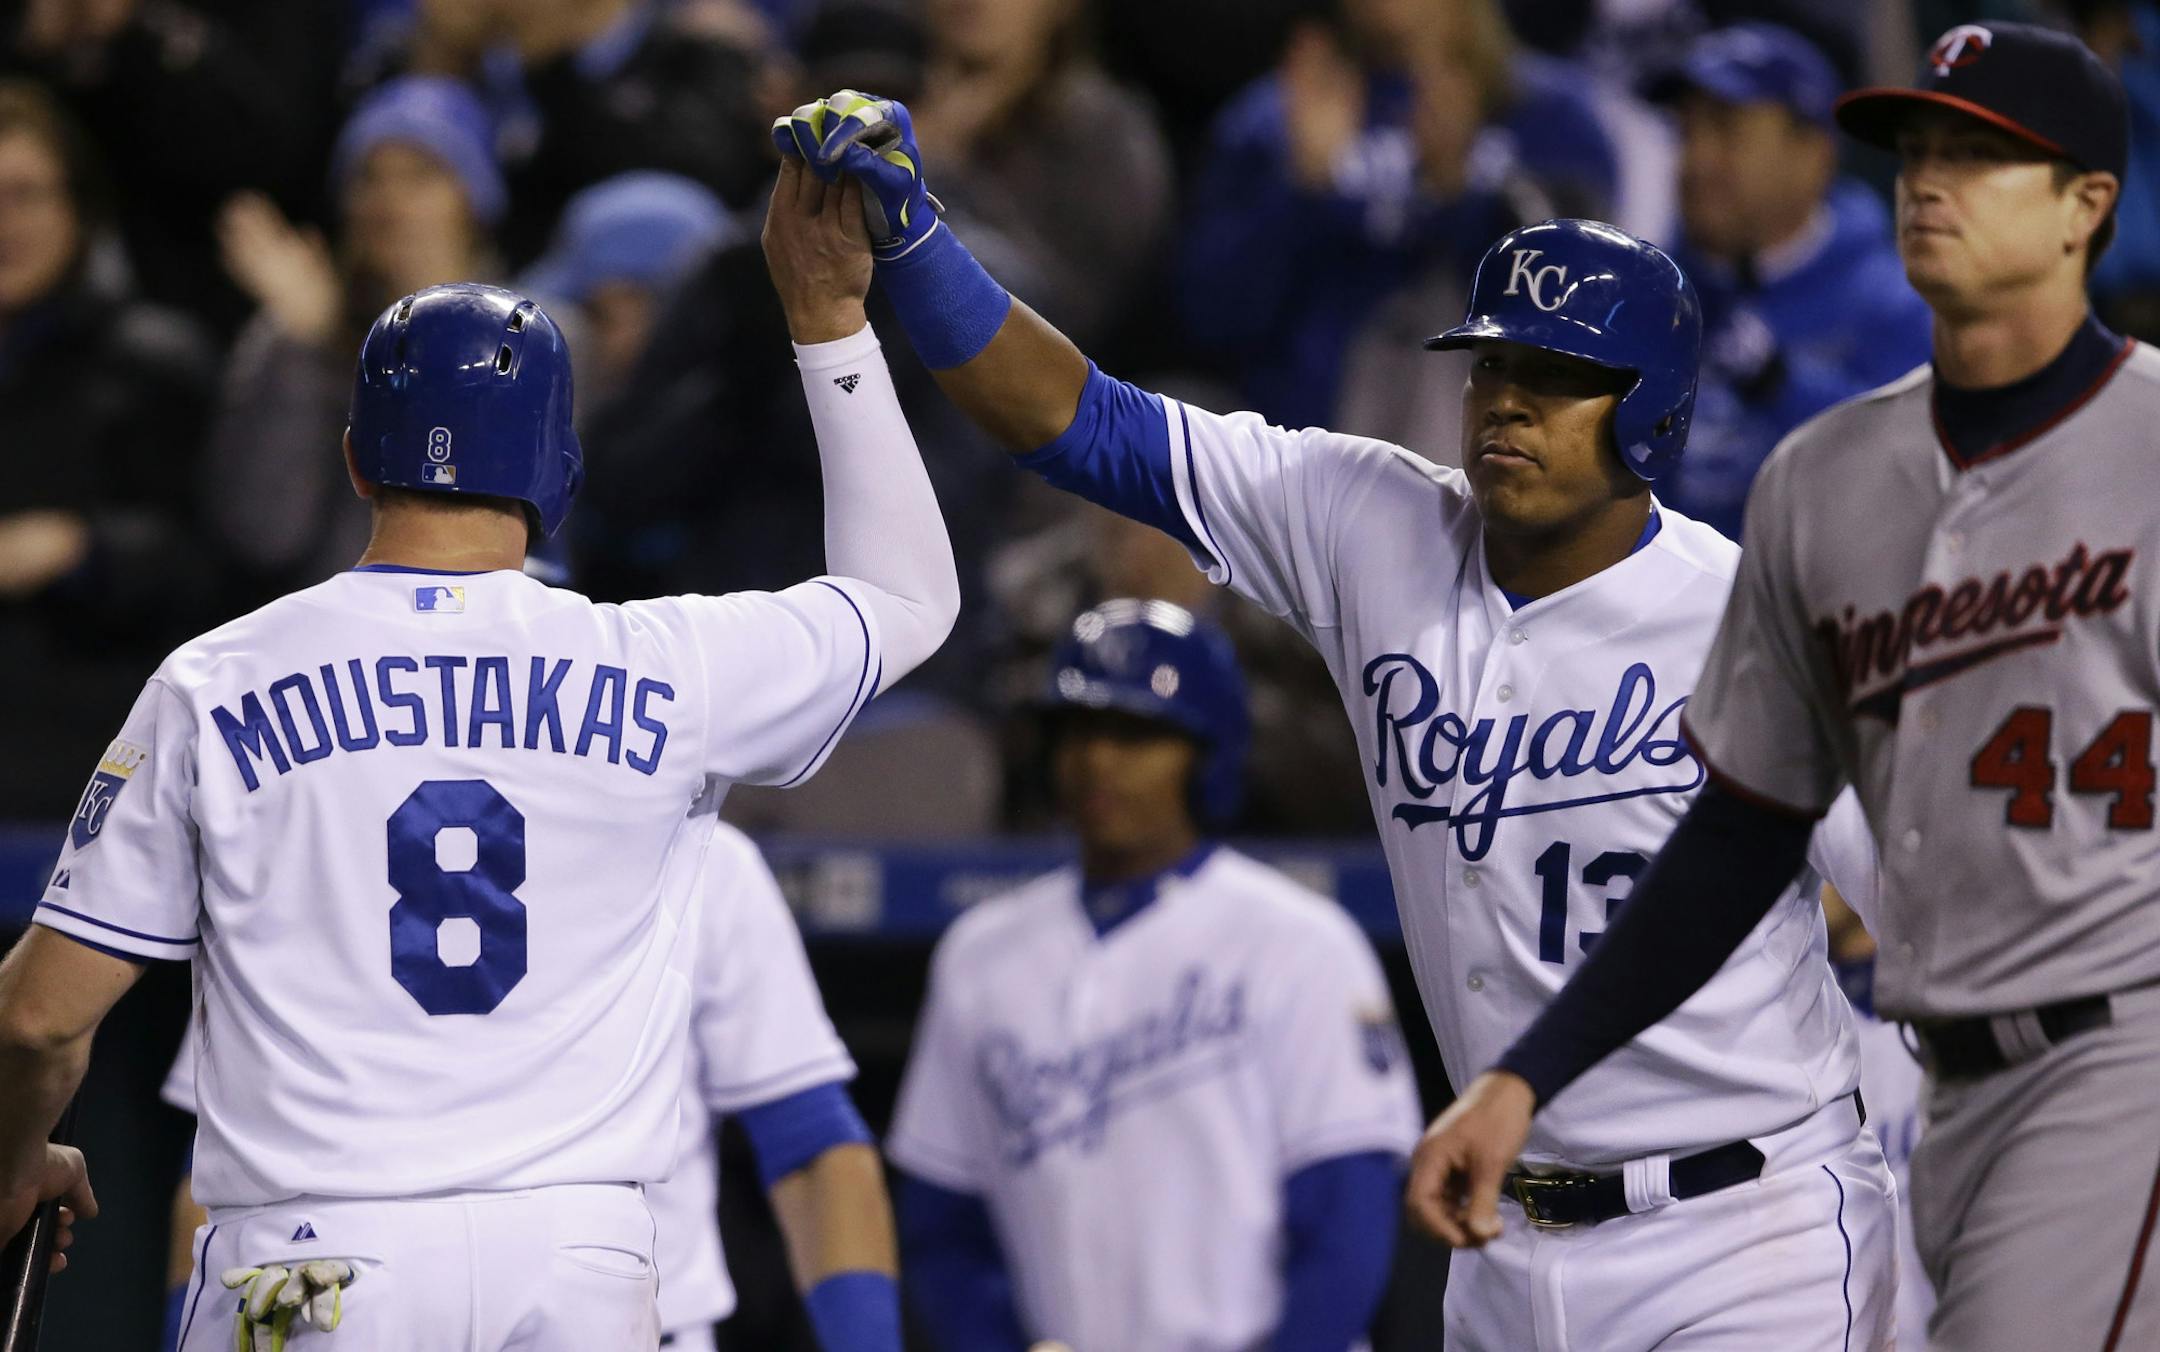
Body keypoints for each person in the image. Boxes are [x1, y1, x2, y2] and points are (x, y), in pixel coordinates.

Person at [776, 91, 1894, 1347]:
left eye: (1560, 376)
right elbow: (1079, 423)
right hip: (1505, 1233)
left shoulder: (1746, 614)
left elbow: (1931, 916)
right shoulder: (1377, 519)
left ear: (1653, 407)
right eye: (1495, 366)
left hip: (1744, 1226)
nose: (1508, 402)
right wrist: (920, 241)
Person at [0, 152, 956, 1349]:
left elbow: (37, 1020)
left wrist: (9, 1158)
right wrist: (829, 324)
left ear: (355, 459)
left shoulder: (214, 678)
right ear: (559, 470)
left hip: (313, 1264)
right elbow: (910, 598)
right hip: (581, 1266)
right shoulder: (669, 662)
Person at [1413, 23, 2160, 1352]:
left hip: (2121, 1046)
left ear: (2087, 207)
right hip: (1950, 1077)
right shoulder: (1825, 479)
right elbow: (1741, 829)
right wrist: (1527, 1074)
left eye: (1982, 158)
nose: (1929, 181)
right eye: (1921, 151)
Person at [887, 598, 1422, 1350]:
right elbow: (943, 1222)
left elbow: (1346, 1229)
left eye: (1137, 734)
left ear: (1208, 755)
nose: (1098, 759)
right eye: (1080, 730)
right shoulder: (981, 954)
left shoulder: (1301, 944)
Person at [156, 821, 896, 1352]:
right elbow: (815, 1153)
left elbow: (813, 1149)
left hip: (346, 1306)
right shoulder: (695, 842)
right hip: (587, 1313)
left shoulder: (308, 841)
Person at [1179, 0, 1618, 433]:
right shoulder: (1275, 118)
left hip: (1487, 443)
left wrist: (1459, 201)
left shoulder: (1553, 120)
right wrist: (1301, 193)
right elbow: (1215, 321)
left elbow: (1575, 329)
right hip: (1303, 447)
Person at [0, 78, 221, 822]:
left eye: (26, 193)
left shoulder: (154, 363)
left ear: (79, 208)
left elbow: (218, 563)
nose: (7, 222)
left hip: (97, 771)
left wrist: (76, 550)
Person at [204, 75, 511, 599]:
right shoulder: (295, 333)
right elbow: (263, 533)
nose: (389, 202)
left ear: (473, 201)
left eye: (421, 175)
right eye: (369, 178)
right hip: (331, 644)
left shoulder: (537, 339)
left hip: (496, 643)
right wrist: (305, 348)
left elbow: (548, 535)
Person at [1646, 21, 1933, 539]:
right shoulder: (1649, 297)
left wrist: (1780, 385)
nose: (1697, 159)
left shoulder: (1892, 302)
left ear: (1813, 154)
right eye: (1687, 132)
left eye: (1726, 129)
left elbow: (1911, 472)